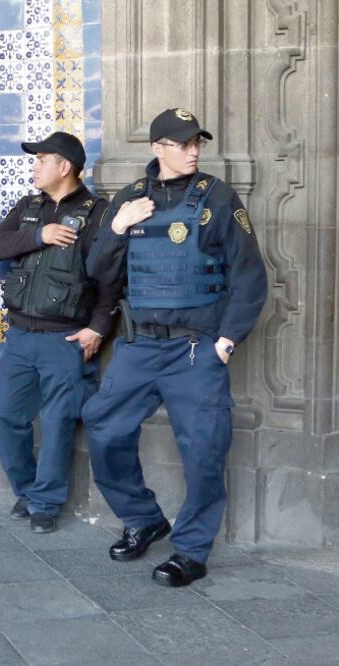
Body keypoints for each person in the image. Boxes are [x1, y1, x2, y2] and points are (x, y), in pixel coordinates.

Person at [83, 108, 268, 586]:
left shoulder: (219, 198)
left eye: (196, 143)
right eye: (183, 143)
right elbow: (100, 272)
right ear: (156, 148)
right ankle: (143, 518)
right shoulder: (129, 199)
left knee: (204, 449)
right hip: (139, 346)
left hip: (194, 351)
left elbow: (249, 276)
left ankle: (190, 550)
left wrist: (225, 342)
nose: (193, 151)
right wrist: (118, 226)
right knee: (103, 427)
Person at [0, 132, 116, 534]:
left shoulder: (98, 213)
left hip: (66, 338)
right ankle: (26, 491)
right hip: (21, 335)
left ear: (64, 167)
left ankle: (46, 502)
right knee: (5, 415)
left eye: (41, 159)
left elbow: (111, 279)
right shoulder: (30, 207)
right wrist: (38, 235)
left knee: (59, 422)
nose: (34, 166)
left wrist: (97, 327)